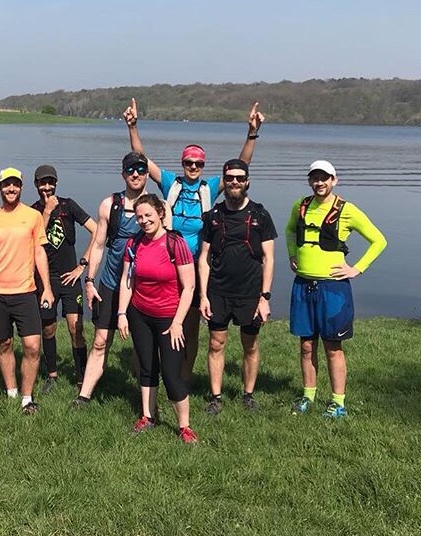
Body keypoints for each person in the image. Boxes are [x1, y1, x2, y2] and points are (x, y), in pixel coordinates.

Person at [123, 98, 264, 380]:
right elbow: (142, 159)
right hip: (167, 262)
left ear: (203, 165)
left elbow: (241, 166)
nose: (193, 167)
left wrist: (252, 133)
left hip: (196, 265)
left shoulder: (209, 187)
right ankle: (151, 372)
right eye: (189, 162)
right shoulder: (171, 183)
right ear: (183, 163)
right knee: (160, 315)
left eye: (198, 163)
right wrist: (133, 127)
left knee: (190, 325)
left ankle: (183, 377)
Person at [287, 160, 387, 418]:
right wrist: (292, 254)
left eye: (324, 178)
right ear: (310, 181)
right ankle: (308, 396)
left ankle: (338, 403)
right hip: (303, 285)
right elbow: (289, 231)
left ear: (334, 180)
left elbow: (378, 241)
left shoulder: (347, 210)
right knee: (306, 345)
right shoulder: (300, 206)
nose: (319, 183)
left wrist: (357, 269)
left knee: (333, 346)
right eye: (315, 178)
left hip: (333, 288)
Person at [72, 151, 155, 407]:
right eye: (130, 170)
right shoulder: (110, 204)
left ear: (147, 174)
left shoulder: (158, 207)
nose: (135, 174)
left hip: (142, 288)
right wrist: (89, 281)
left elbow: (166, 246)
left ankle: (146, 401)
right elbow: (98, 245)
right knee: (100, 341)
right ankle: (84, 396)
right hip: (110, 285)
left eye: (141, 170)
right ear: (123, 174)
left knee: (142, 346)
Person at [116, 194, 198, 444]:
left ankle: (184, 426)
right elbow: (127, 280)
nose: (144, 221)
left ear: (160, 214)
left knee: (172, 375)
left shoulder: (175, 243)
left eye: (148, 215)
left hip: (169, 318)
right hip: (140, 314)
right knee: (146, 367)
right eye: (139, 217)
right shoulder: (134, 243)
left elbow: (189, 287)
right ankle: (148, 416)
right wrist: (122, 313)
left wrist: (177, 322)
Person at [198, 159, 277, 414]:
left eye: (240, 178)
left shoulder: (260, 215)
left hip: (250, 293)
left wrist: (265, 298)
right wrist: (203, 296)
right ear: (224, 181)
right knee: (216, 344)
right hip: (218, 291)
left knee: (250, 345)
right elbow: (204, 258)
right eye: (230, 178)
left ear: (247, 182)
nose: (235, 182)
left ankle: (248, 394)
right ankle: (216, 397)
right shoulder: (213, 216)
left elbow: (269, 259)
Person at [0, 168, 54, 414]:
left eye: (15, 184)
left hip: (25, 291)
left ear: (21, 187)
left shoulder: (33, 216)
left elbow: (39, 252)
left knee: (32, 346)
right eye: (6, 184)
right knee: (4, 344)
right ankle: (11, 392)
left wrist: (47, 288)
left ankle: (26, 397)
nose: (11, 189)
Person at [31, 164, 96, 392]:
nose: (47, 187)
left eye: (50, 182)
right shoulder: (32, 212)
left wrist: (82, 265)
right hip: (45, 280)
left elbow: (97, 231)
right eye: (42, 183)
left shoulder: (69, 205)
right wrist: (47, 211)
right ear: (36, 184)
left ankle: (82, 378)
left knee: (75, 328)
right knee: (48, 328)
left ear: (56, 183)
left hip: (70, 279)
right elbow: (34, 240)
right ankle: (52, 375)